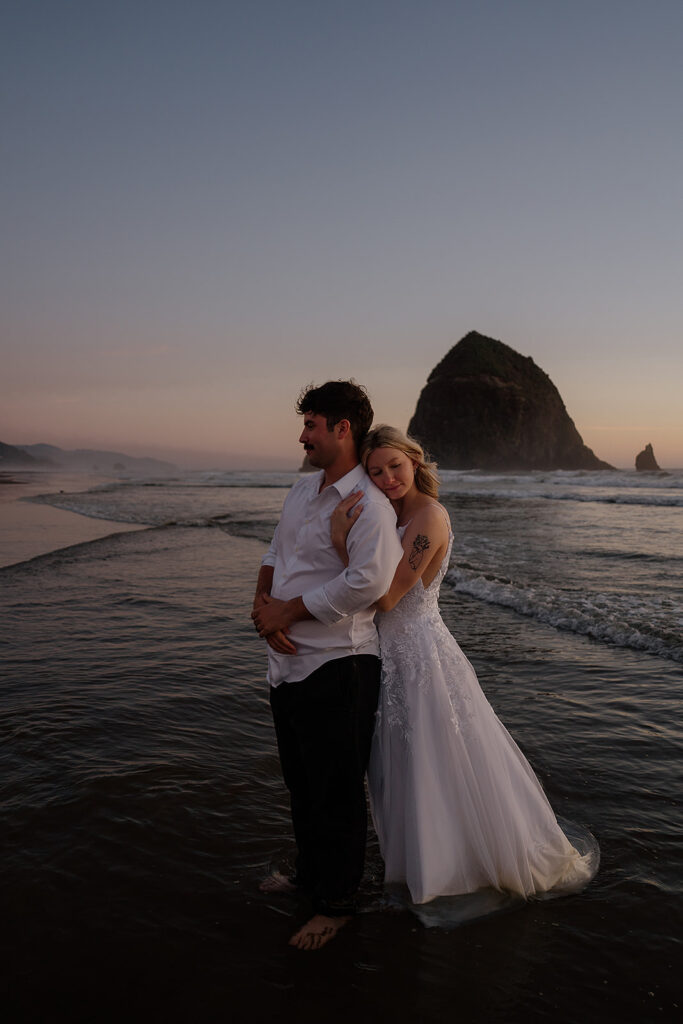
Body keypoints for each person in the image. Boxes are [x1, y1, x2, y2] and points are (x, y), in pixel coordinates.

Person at [330, 425, 598, 906]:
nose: (388, 477)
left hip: (419, 654)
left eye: (396, 466)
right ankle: (418, 862)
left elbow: (388, 598)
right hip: (387, 654)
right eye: (376, 471)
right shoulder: (388, 512)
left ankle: (451, 871)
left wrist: (339, 541)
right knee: (402, 764)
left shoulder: (429, 517)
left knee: (436, 759)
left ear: (415, 461)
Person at [251, 383, 403, 950]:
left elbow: (369, 581)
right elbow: (275, 552)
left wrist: (286, 611)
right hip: (286, 664)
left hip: (340, 664)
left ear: (343, 428)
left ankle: (337, 905)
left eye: (312, 424)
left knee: (336, 791)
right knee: (300, 782)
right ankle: (311, 876)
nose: (302, 435)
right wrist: (261, 604)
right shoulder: (300, 490)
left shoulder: (369, 501)